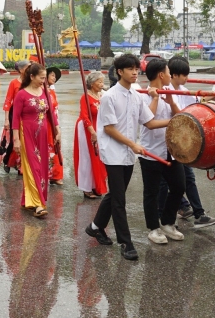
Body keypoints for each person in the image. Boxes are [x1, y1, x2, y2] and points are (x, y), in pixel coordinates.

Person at [84, 54, 170, 261]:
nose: (134, 72)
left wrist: (175, 121)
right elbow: (110, 129)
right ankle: (126, 242)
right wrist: (133, 144)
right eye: (130, 69)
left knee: (115, 195)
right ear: (119, 72)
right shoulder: (109, 97)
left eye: (136, 69)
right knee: (119, 199)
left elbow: (148, 122)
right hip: (113, 152)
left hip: (128, 153)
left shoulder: (136, 96)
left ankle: (95, 227)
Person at [159, 55, 215, 228]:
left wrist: (212, 98)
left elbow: (196, 106)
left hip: (182, 143)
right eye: (183, 74)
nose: (186, 78)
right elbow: (180, 116)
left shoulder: (183, 91)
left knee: (187, 179)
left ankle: (197, 213)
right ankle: (166, 217)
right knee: (165, 183)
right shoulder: (166, 91)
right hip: (167, 144)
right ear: (174, 74)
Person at [138, 58, 187, 246]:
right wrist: (156, 98)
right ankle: (153, 228)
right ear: (161, 75)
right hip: (151, 152)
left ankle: (167, 222)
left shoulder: (169, 92)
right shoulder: (143, 95)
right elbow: (149, 122)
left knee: (178, 187)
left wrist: (171, 102)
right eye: (168, 72)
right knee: (151, 192)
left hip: (170, 150)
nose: (170, 75)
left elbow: (179, 116)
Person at [12, 63, 59, 217]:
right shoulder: (21, 94)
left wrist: (57, 131)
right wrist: (16, 139)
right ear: (31, 76)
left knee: (42, 166)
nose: (43, 81)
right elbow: (15, 118)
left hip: (43, 135)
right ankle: (38, 203)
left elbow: (51, 113)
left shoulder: (45, 91)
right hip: (27, 135)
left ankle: (29, 200)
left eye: (45, 78)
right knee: (33, 167)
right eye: (41, 77)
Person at [74, 71, 107, 199]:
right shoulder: (85, 97)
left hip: (99, 129)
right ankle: (86, 187)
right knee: (87, 158)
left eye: (102, 82)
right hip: (86, 129)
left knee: (98, 158)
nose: (102, 84)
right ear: (92, 83)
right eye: (99, 82)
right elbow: (84, 116)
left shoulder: (102, 95)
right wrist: (92, 132)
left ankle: (96, 185)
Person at [0, 60, 29, 172]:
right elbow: (8, 101)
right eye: (27, 68)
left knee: (26, 140)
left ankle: (22, 166)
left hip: (27, 114)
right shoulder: (14, 83)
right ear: (21, 70)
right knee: (14, 140)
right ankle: (8, 160)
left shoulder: (31, 82)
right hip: (15, 114)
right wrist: (7, 119)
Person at [45, 67, 64, 185]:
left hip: (54, 123)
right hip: (45, 123)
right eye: (52, 75)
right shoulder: (42, 91)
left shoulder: (52, 91)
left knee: (55, 147)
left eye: (55, 76)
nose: (54, 77)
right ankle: (47, 174)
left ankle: (55, 175)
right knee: (47, 148)